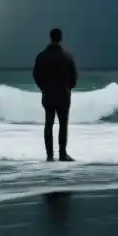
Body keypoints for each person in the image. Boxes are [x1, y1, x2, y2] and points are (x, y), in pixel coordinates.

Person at [32, 27, 77, 161]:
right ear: (60, 38)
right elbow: (74, 77)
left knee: (48, 124)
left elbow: (36, 74)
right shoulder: (67, 57)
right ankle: (62, 154)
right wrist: (68, 88)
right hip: (63, 94)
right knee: (63, 125)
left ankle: (49, 155)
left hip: (48, 94)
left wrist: (42, 87)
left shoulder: (42, 56)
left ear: (50, 37)